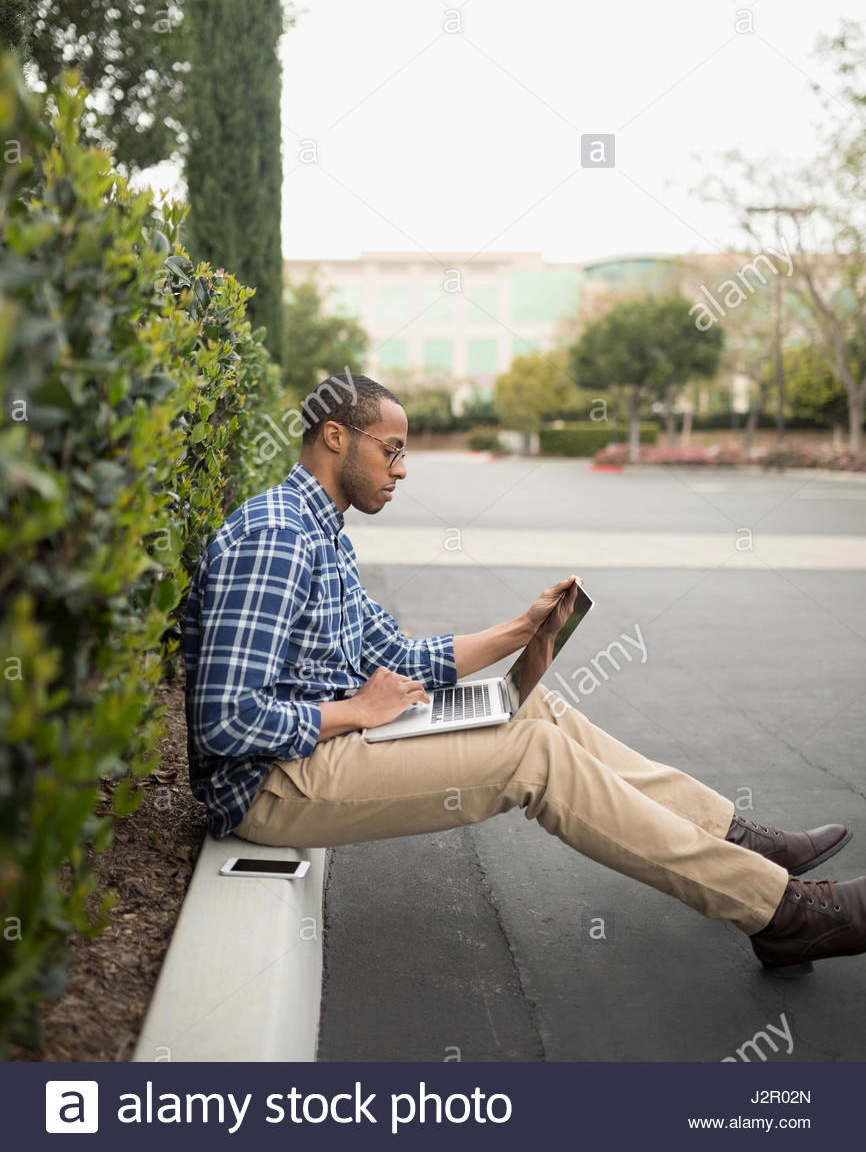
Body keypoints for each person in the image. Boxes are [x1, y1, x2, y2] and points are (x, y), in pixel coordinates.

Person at [184, 373, 866, 977]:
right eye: (390, 449)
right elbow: (225, 719)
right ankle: (782, 913)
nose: (401, 469)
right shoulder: (275, 537)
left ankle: (733, 837)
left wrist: (523, 630)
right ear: (336, 436)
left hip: (324, 748)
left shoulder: (322, 532)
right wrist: (357, 713)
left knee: (538, 709)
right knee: (532, 756)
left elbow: (403, 656)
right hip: (271, 786)